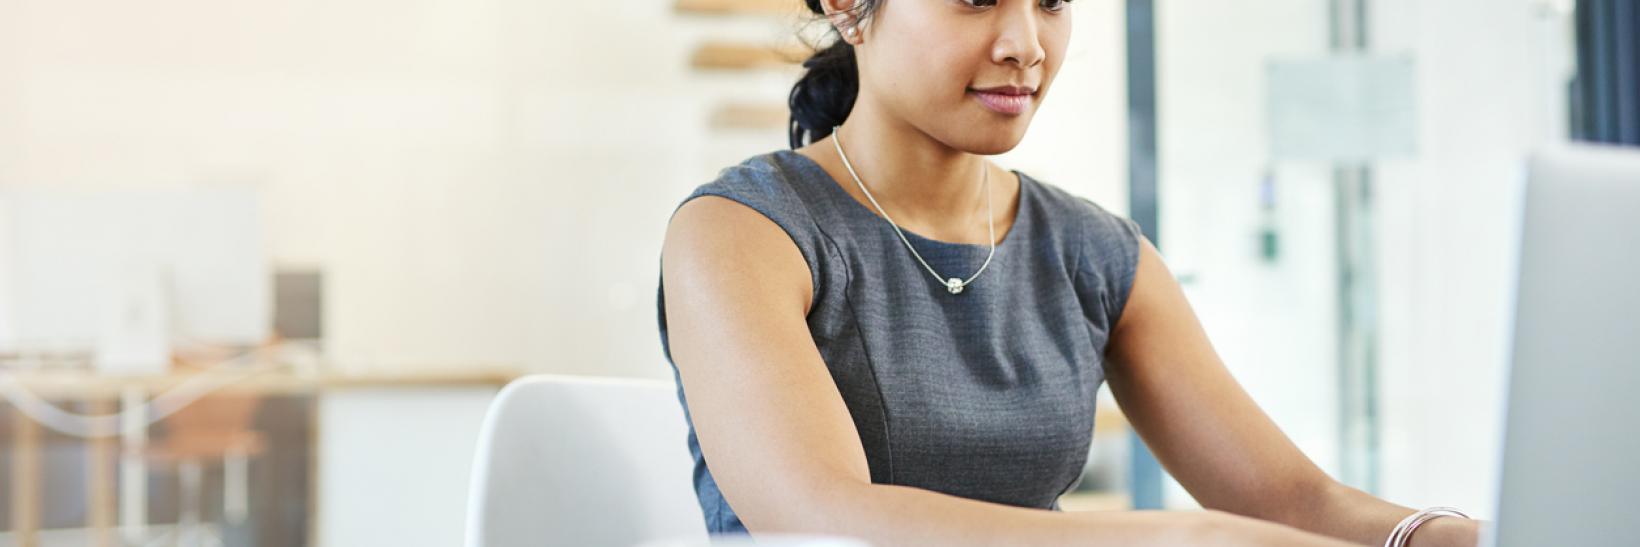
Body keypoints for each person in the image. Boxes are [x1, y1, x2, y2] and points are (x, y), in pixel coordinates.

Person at [656, 0, 1484, 545]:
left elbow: (1291, 502)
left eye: (1051, 1)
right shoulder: (741, 230)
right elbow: (818, 516)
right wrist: (1172, 536)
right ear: (849, 9)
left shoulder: (1094, 251)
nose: (1025, 45)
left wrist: (1450, 531)